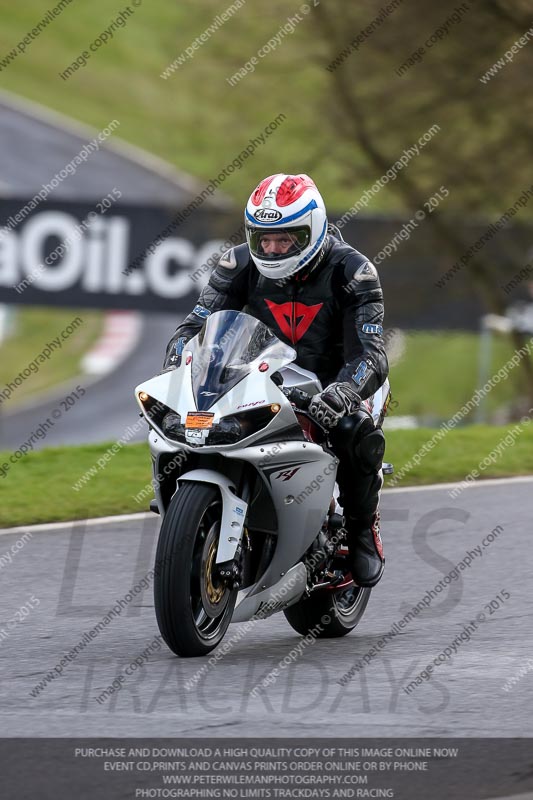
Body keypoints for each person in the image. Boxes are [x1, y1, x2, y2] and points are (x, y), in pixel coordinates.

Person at [163, 174, 389, 587]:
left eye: (284, 239)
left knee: (355, 430)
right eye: (262, 238)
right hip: (263, 372)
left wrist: (345, 391)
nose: (271, 249)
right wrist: (179, 355)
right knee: (197, 419)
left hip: (337, 380)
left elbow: (372, 355)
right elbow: (197, 324)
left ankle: (361, 528)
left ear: (313, 230)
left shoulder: (354, 271)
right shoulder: (237, 264)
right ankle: (185, 503)